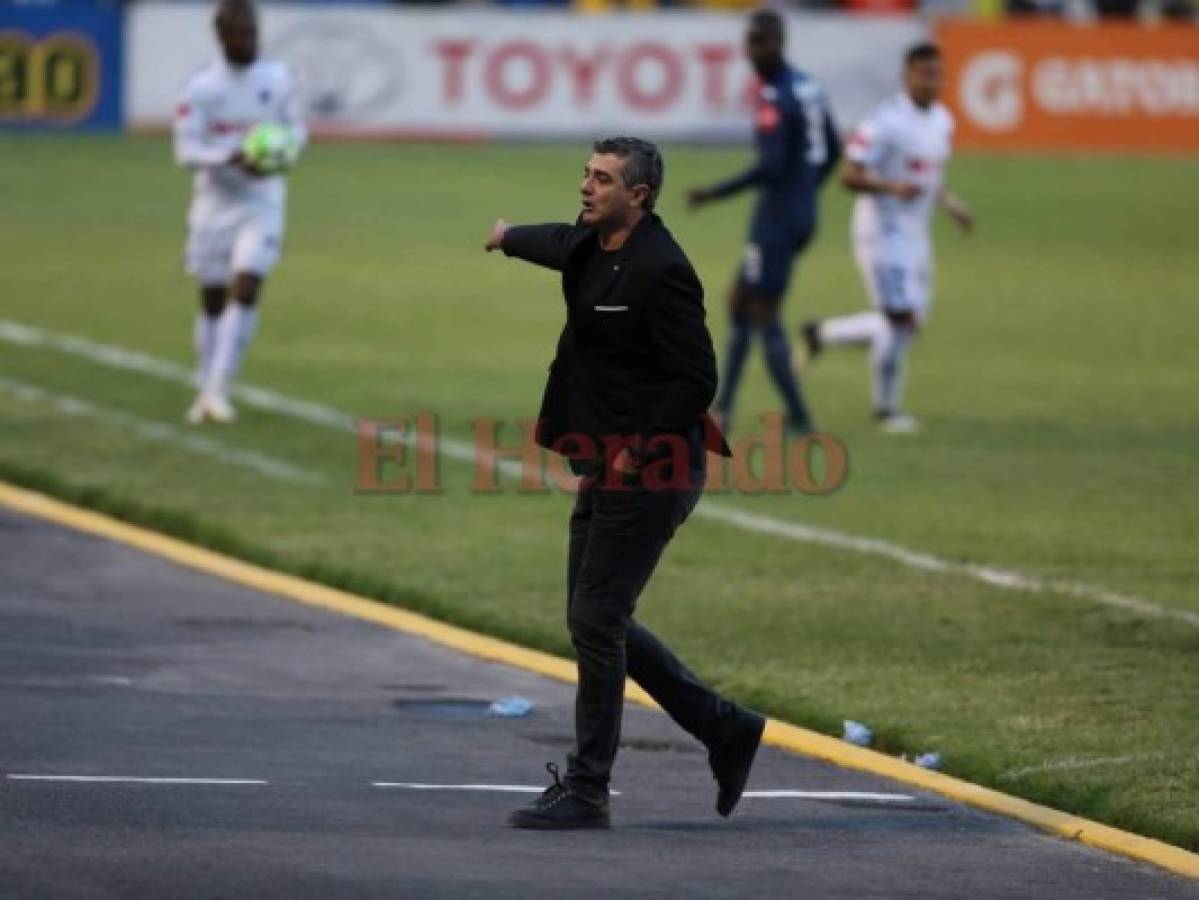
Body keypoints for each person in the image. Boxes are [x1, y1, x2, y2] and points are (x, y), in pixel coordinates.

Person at [485, 137, 766, 830]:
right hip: (604, 459)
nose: (586, 186)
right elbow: (558, 241)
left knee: (595, 617)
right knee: (595, 616)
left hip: (655, 465)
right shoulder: (592, 241)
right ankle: (724, 727)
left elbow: (696, 375)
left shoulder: (660, 268)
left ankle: (588, 788)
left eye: (602, 179)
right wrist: (506, 236)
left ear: (637, 195)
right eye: (584, 174)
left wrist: (637, 453)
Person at [799, 42, 973, 434]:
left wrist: (952, 204)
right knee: (899, 320)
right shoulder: (885, 122)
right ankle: (887, 410)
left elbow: (929, 176)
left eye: (937, 74)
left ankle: (820, 334)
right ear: (906, 76)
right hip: (882, 233)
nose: (932, 81)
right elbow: (848, 174)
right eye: (924, 74)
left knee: (909, 324)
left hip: (916, 234)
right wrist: (891, 187)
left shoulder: (943, 120)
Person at [687, 8, 841, 437]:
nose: (753, 53)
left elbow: (771, 168)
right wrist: (808, 188)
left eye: (760, 43)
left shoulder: (773, 96)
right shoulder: (808, 87)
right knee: (739, 301)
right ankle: (723, 408)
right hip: (799, 214)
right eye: (750, 43)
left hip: (775, 219)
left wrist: (713, 193)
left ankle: (798, 416)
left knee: (762, 311)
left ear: (778, 43)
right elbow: (833, 148)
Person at [174, 0, 306, 423]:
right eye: (238, 33)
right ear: (222, 36)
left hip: (262, 200)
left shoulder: (279, 79)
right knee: (213, 297)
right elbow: (185, 149)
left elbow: (296, 129)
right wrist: (230, 156)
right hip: (214, 203)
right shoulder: (201, 87)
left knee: (247, 284)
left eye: (251, 32)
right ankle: (206, 380)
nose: (247, 40)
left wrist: (280, 154)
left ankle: (217, 388)